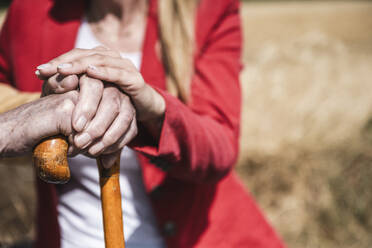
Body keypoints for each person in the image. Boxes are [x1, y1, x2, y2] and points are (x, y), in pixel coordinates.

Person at [0, 0, 286, 247]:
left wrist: (153, 109)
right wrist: (64, 106)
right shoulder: (33, 10)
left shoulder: (207, 9)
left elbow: (218, 148)